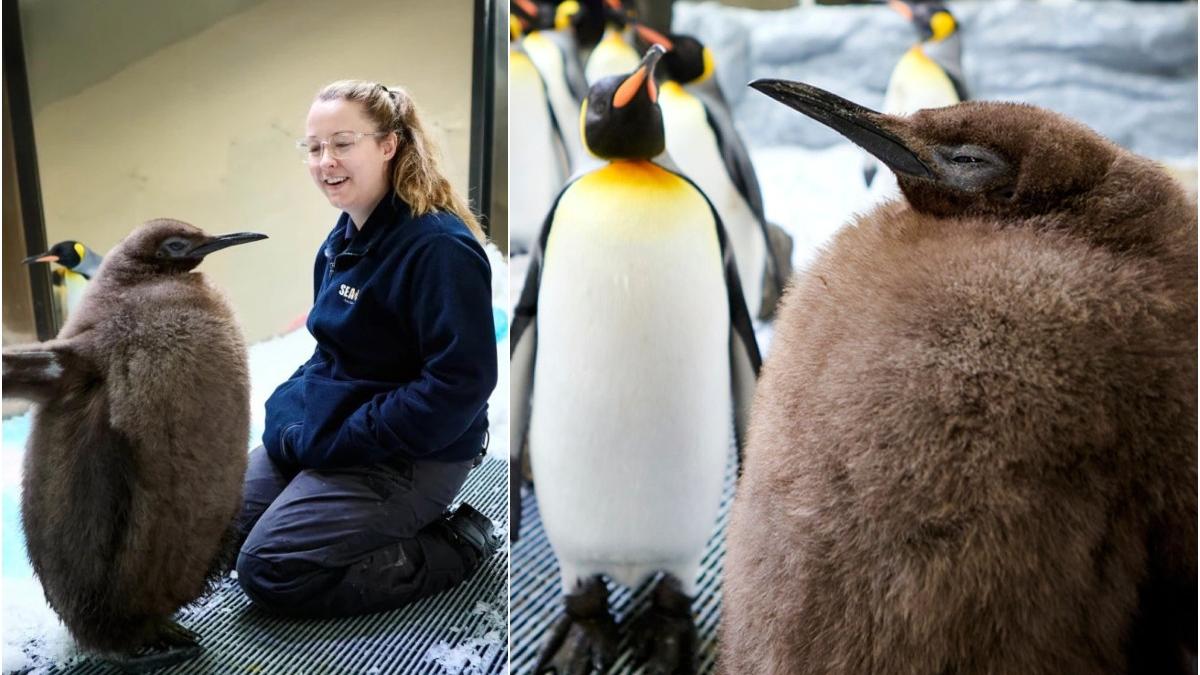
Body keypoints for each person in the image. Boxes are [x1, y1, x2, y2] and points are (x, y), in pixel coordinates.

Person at [233, 80, 501, 617]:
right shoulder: (343, 240)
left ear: (388, 145)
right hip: (347, 433)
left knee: (272, 568)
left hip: (416, 452)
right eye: (314, 147)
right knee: (210, 525)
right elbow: (330, 355)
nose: (325, 160)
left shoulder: (438, 249)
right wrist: (292, 416)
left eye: (342, 143)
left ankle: (454, 545)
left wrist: (346, 438)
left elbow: (459, 385)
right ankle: (330, 506)